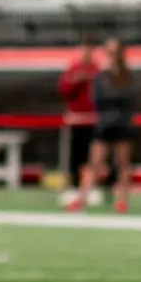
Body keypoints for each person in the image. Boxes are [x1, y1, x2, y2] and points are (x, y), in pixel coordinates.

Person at [74, 38, 136, 213]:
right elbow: (96, 99)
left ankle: (122, 200)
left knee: (122, 163)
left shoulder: (127, 76)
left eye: (115, 52)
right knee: (94, 162)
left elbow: (129, 99)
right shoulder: (100, 77)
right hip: (105, 124)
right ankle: (82, 198)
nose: (112, 56)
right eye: (109, 52)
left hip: (122, 124)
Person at [56, 32, 99, 205]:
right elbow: (63, 90)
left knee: (94, 157)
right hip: (76, 120)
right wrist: (76, 80)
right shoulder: (73, 68)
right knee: (75, 155)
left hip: (94, 119)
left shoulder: (97, 70)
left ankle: (91, 188)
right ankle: (74, 187)